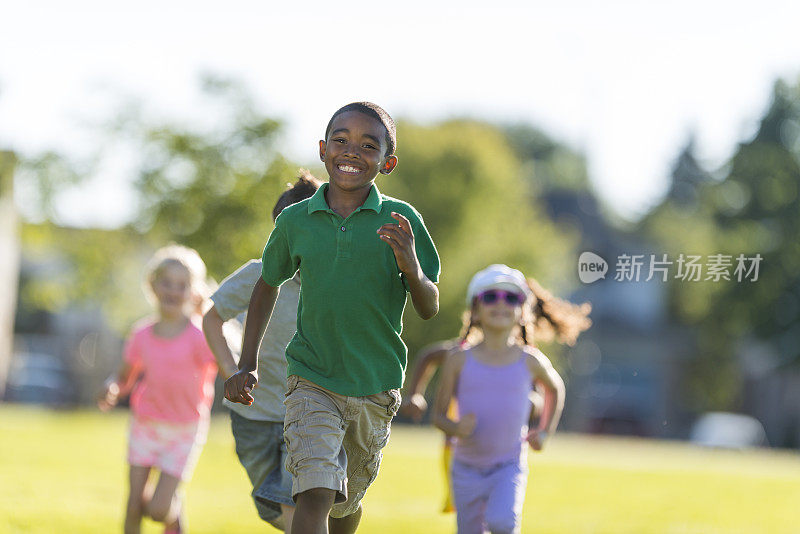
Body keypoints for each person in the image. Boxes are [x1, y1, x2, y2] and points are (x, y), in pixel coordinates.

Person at [225, 102, 440, 534]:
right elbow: (267, 283)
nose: (351, 151)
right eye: (340, 140)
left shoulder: (401, 220)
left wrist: (411, 267)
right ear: (323, 150)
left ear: (387, 162)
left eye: (367, 145)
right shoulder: (295, 221)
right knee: (315, 491)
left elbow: (429, 305)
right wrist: (246, 363)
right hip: (311, 378)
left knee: (344, 506)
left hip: (374, 385)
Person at [401, 270, 591, 517]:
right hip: (460, 449)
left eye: (510, 299)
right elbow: (427, 356)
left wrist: (533, 409)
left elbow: (543, 394)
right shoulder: (460, 355)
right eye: (491, 297)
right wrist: (414, 394)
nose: (501, 304)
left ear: (522, 311)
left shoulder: (525, 358)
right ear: (476, 310)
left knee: (502, 517)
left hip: (505, 454)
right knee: (470, 517)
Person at [201, 170, 322, 532]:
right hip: (252, 419)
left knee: (295, 503)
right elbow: (212, 318)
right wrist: (230, 373)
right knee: (271, 506)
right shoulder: (259, 275)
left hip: (307, 414)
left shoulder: (328, 285)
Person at [98, 244, 217, 534]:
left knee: (159, 509)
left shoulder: (200, 335)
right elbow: (125, 377)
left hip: (184, 431)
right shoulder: (141, 334)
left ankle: (171, 512)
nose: (173, 291)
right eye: (166, 283)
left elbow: (225, 365)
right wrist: (111, 387)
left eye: (181, 285)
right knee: (134, 504)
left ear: (193, 291)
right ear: (153, 286)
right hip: (145, 425)